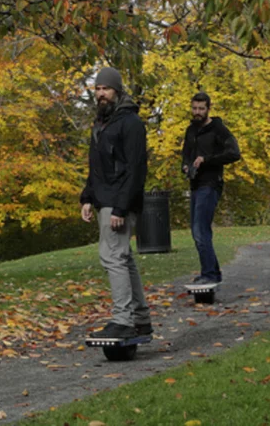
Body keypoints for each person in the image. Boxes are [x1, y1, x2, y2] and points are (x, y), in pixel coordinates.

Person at [80, 67, 153, 339]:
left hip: (120, 201)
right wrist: (87, 197)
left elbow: (136, 169)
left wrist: (121, 207)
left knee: (112, 257)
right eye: (97, 89)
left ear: (117, 91)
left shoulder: (131, 123)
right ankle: (141, 317)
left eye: (106, 89)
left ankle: (123, 320)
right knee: (123, 258)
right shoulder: (101, 123)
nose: (101, 94)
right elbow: (96, 166)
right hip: (104, 199)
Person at [181, 92, 241, 285]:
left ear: (208, 109)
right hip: (195, 184)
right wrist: (186, 165)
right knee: (197, 230)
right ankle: (212, 272)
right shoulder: (190, 131)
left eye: (201, 109)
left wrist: (206, 160)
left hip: (211, 183)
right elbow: (185, 154)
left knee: (200, 230)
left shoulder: (218, 129)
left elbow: (234, 153)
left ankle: (208, 274)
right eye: (194, 108)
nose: (197, 112)